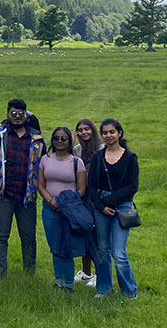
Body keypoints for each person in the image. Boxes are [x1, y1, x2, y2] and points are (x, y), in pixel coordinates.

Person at [0, 99, 46, 276]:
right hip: (4, 195)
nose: (17, 117)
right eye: (13, 113)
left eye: (21, 114)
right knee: (1, 236)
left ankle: (29, 274)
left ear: (26, 115)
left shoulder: (37, 139)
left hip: (27, 197)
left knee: (28, 237)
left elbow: (44, 165)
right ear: (7, 115)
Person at [88, 118, 139, 299]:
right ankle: (104, 289)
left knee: (119, 253)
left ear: (119, 133)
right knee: (103, 251)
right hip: (100, 207)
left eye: (112, 132)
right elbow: (91, 185)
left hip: (122, 207)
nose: (108, 135)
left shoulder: (130, 158)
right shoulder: (97, 157)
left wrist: (109, 202)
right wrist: (102, 206)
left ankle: (129, 292)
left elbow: (132, 187)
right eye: (105, 133)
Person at [38, 127, 87, 292]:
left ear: (70, 141)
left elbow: (81, 190)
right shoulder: (45, 159)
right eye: (56, 138)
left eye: (64, 139)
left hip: (68, 210)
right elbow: (40, 185)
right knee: (55, 247)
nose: (60, 142)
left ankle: (68, 284)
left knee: (66, 247)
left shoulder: (76, 162)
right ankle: (58, 281)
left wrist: (62, 203)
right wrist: (51, 201)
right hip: (49, 208)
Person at [72, 118, 104, 286]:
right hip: (82, 195)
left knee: (97, 235)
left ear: (93, 130)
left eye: (87, 129)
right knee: (85, 234)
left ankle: (100, 273)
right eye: (80, 130)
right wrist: (70, 141)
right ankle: (86, 272)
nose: (84, 132)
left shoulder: (101, 148)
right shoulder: (77, 150)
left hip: (97, 195)